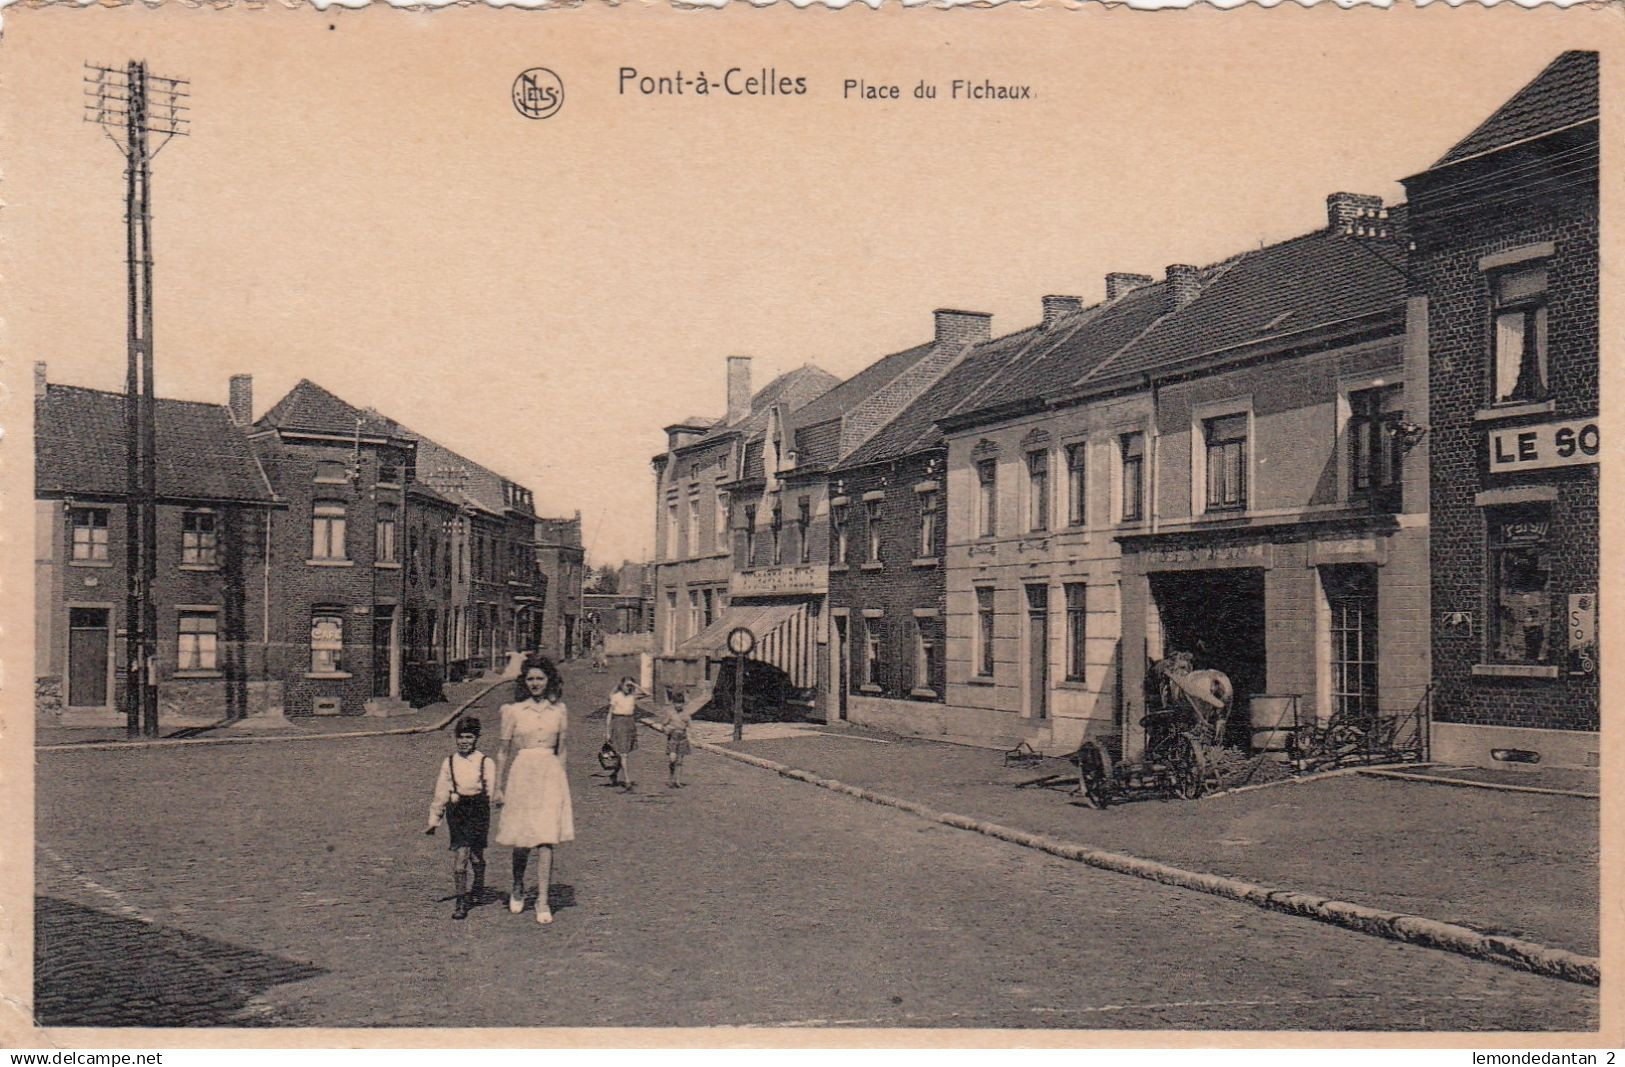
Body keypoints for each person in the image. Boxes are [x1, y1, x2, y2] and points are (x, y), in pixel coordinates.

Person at [493, 656, 575, 924]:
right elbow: (503, 752)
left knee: (546, 838)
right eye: (530, 679)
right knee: (522, 839)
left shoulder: (559, 711)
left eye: (540, 678)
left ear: (549, 680)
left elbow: (561, 750)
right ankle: (517, 885)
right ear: (524, 682)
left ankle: (542, 899)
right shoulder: (513, 711)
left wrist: (561, 784)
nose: (535, 683)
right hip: (523, 775)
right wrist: (498, 787)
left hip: (549, 774)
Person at [424, 716, 494, 920]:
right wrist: (434, 820)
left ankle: (478, 886)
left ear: (476, 739)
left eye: (469, 737)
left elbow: (493, 790)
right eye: (460, 737)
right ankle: (461, 901)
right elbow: (441, 791)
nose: (464, 741)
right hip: (458, 811)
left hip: (479, 810)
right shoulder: (449, 762)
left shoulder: (485, 762)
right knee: (461, 856)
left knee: (476, 856)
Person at [603, 677, 645, 792]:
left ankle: (614, 773)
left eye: (630, 686)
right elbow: (609, 714)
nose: (629, 688)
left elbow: (647, 694)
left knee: (624, 753)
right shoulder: (616, 697)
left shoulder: (632, 696)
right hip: (619, 723)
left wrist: (635, 685)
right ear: (621, 686)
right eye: (627, 685)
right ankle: (627, 780)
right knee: (623, 754)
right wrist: (607, 731)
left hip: (630, 723)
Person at [659, 689, 694, 789]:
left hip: (683, 738)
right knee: (672, 759)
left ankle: (678, 781)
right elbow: (663, 725)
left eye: (680, 703)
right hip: (673, 738)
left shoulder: (686, 714)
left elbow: (690, 727)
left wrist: (691, 737)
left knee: (680, 761)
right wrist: (666, 730)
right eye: (676, 703)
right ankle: (671, 776)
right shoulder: (670, 714)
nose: (678, 705)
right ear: (673, 703)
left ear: (683, 703)